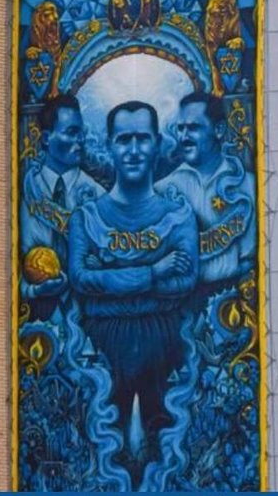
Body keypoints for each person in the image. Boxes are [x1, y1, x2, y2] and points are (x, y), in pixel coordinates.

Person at [67, 101, 198, 466]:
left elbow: (186, 280)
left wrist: (109, 282)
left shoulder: (178, 214)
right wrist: (154, 272)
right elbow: (80, 278)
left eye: (142, 138)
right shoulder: (86, 217)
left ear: (158, 143)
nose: (134, 150)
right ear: (109, 145)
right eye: (124, 139)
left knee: (163, 449)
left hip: (164, 343)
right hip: (102, 343)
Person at [157, 91, 255, 298]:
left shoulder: (248, 186)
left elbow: (251, 258)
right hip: (179, 303)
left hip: (232, 300)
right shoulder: (163, 190)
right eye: (180, 128)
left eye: (193, 128)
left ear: (218, 129)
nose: (184, 137)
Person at [20, 94, 102, 319]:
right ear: (46, 138)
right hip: (35, 315)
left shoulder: (97, 194)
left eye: (81, 133)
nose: (81, 141)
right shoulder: (25, 189)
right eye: (71, 132)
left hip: (87, 317)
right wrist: (32, 290)